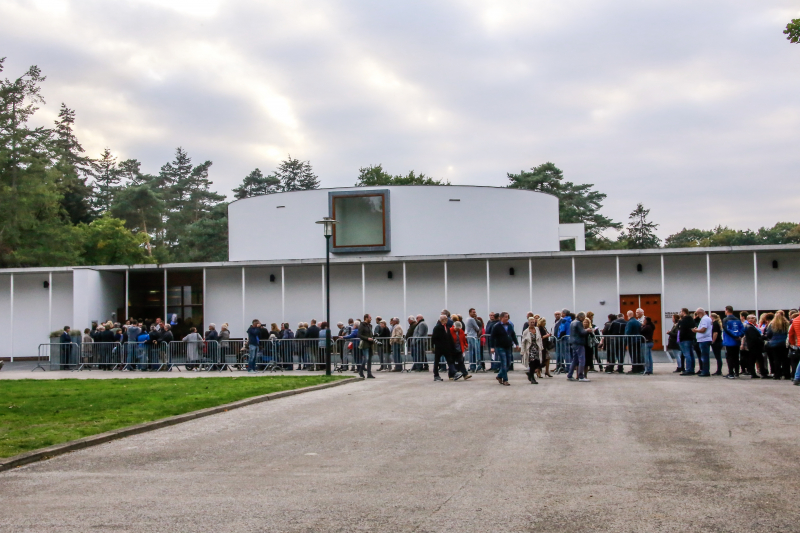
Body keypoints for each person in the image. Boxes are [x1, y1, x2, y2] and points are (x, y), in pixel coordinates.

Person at [490, 312, 518, 386]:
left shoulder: (509, 326)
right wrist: (492, 347)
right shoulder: (497, 326)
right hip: (500, 347)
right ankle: (505, 380)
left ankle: (499, 376)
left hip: (508, 346)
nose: (507, 318)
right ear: (501, 318)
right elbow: (492, 337)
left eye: (507, 317)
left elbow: (513, 335)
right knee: (504, 363)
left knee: (508, 363)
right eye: (505, 317)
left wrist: (517, 343)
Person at [765, 311, 790, 380]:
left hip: (774, 344)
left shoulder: (772, 324)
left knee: (776, 360)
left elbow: (769, 334)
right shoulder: (787, 323)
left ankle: (777, 375)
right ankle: (787, 374)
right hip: (784, 344)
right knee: (785, 360)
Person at [431, 315, 455, 382]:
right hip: (439, 348)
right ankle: (436, 375)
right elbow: (434, 338)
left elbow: (449, 337)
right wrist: (433, 347)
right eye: (445, 319)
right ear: (442, 319)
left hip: (447, 348)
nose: (447, 320)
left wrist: (452, 346)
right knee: (437, 362)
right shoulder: (437, 327)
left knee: (450, 361)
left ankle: (453, 372)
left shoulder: (447, 327)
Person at [722, 306, 744, 379]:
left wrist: (734, 336)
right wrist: (739, 336)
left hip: (729, 341)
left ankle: (731, 373)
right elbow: (742, 329)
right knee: (736, 357)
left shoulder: (725, 320)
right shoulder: (737, 319)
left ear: (727, 310)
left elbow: (727, 329)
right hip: (737, 341)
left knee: (730, 357)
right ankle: (737, 372)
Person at [567, 312, 590, 382]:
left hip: (573, 342)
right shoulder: (579, 323)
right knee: (582, 359)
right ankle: (581, 376)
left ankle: (570, 375)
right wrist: (587, 330)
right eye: (583, 317)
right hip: (579, 343)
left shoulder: (572, 322)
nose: (584, 319)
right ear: (580, 317)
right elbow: (582, 332)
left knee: (574, 360)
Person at [520, 316, 542, 384]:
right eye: (531, 322)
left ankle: (529, 373)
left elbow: (540, 338)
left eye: (533, 322)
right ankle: (532, 378)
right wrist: (522, 350)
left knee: (538, 363)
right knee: (532, 364)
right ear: (528, 323)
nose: (532, 323)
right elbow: (523, 342)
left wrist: (541, 347)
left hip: (537, 348)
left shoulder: (537, 329)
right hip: (530, 349)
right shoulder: (526, 331)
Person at [692, 308, 713, 377]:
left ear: (700, 313)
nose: (697, 315)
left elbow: (703, 329)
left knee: (704, 356)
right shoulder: (708, 318)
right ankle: (705, 370)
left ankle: (705, 371)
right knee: (704, 356)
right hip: (705, 339)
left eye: (698, 314)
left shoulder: (704, 319)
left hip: (704, 340)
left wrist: (696, 330)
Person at [678, 308, 696, 375]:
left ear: (683, 312)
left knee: (687, 354)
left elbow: (680, 328)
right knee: (691, 354)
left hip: (684, 339)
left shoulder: (684, 320)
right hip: (690, 338)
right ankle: (691, 369)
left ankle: (688, 370)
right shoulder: (691, 319)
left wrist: (680, 338)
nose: (680, 313)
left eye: (681, 312)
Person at [357, 314, 376, 379]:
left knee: (369, 359)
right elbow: (359, 335)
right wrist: (367, 338)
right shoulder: (362, 325)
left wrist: (373, 337)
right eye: (370, 318)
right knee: (366, 358)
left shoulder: (370, 326)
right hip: (365, 344)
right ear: (366, 318)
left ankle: (369, 373)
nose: (371, 319)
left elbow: (371, 334)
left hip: (370, 344)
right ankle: (361, 371)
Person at [624, 310, 643, 374]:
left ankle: (634, 368)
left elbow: (627, 332)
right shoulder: (637, 322)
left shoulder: (629, 322)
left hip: (632, 341)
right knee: (638, 355)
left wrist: (625, 342)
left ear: (628, 315)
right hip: (638, 340)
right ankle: (640, 368)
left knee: (633, 355)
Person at [465, 308, 482, 372]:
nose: (474, 313)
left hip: (469, 336)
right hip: (473, 336)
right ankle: (478, 365)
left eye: (475, 312)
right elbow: (477, 328)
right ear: (470, 313)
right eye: (473, 312)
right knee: (476, 351)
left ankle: (472, 365)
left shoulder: (467, 319)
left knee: (471, 352)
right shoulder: (472, 319)